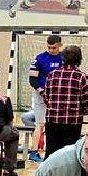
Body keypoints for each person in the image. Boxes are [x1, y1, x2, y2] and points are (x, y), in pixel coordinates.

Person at [40, 44, 88, 156]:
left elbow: (46, 97)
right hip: (72, 122)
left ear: (62, 58)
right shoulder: (81, 77)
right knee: (69, 155)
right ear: (79, 59)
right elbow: (86, 101)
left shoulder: (51, 75)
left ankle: (48, 173)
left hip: (52, 121)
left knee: (50, 153)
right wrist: (81, 111)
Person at [27, 33, 64, 161]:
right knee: (40, 124)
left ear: (59, 46)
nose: (51, 50)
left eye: (53, 48)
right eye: (48, 47)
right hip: (41, 95)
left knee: (55, 125)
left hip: (58, 96)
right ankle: (33, 152)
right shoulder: (40, 59)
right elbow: (32, 79)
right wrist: (40, 90)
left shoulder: (64, 59)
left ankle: (54, 153)